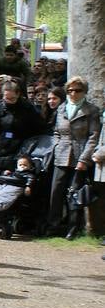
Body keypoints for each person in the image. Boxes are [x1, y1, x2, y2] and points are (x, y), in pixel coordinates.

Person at [45, 77, 101, 236]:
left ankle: (73, 227)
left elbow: (93, 136)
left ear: (84, 92)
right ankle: (53, 226)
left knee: (74, 192)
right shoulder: (62, 108)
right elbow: (56, 132)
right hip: (61, 154)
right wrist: (56, 146)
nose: (73, 94)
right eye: (70, 91)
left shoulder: (92, 110)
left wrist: (84, 159)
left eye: (77, 90)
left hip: (80, 155)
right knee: (56, 192)